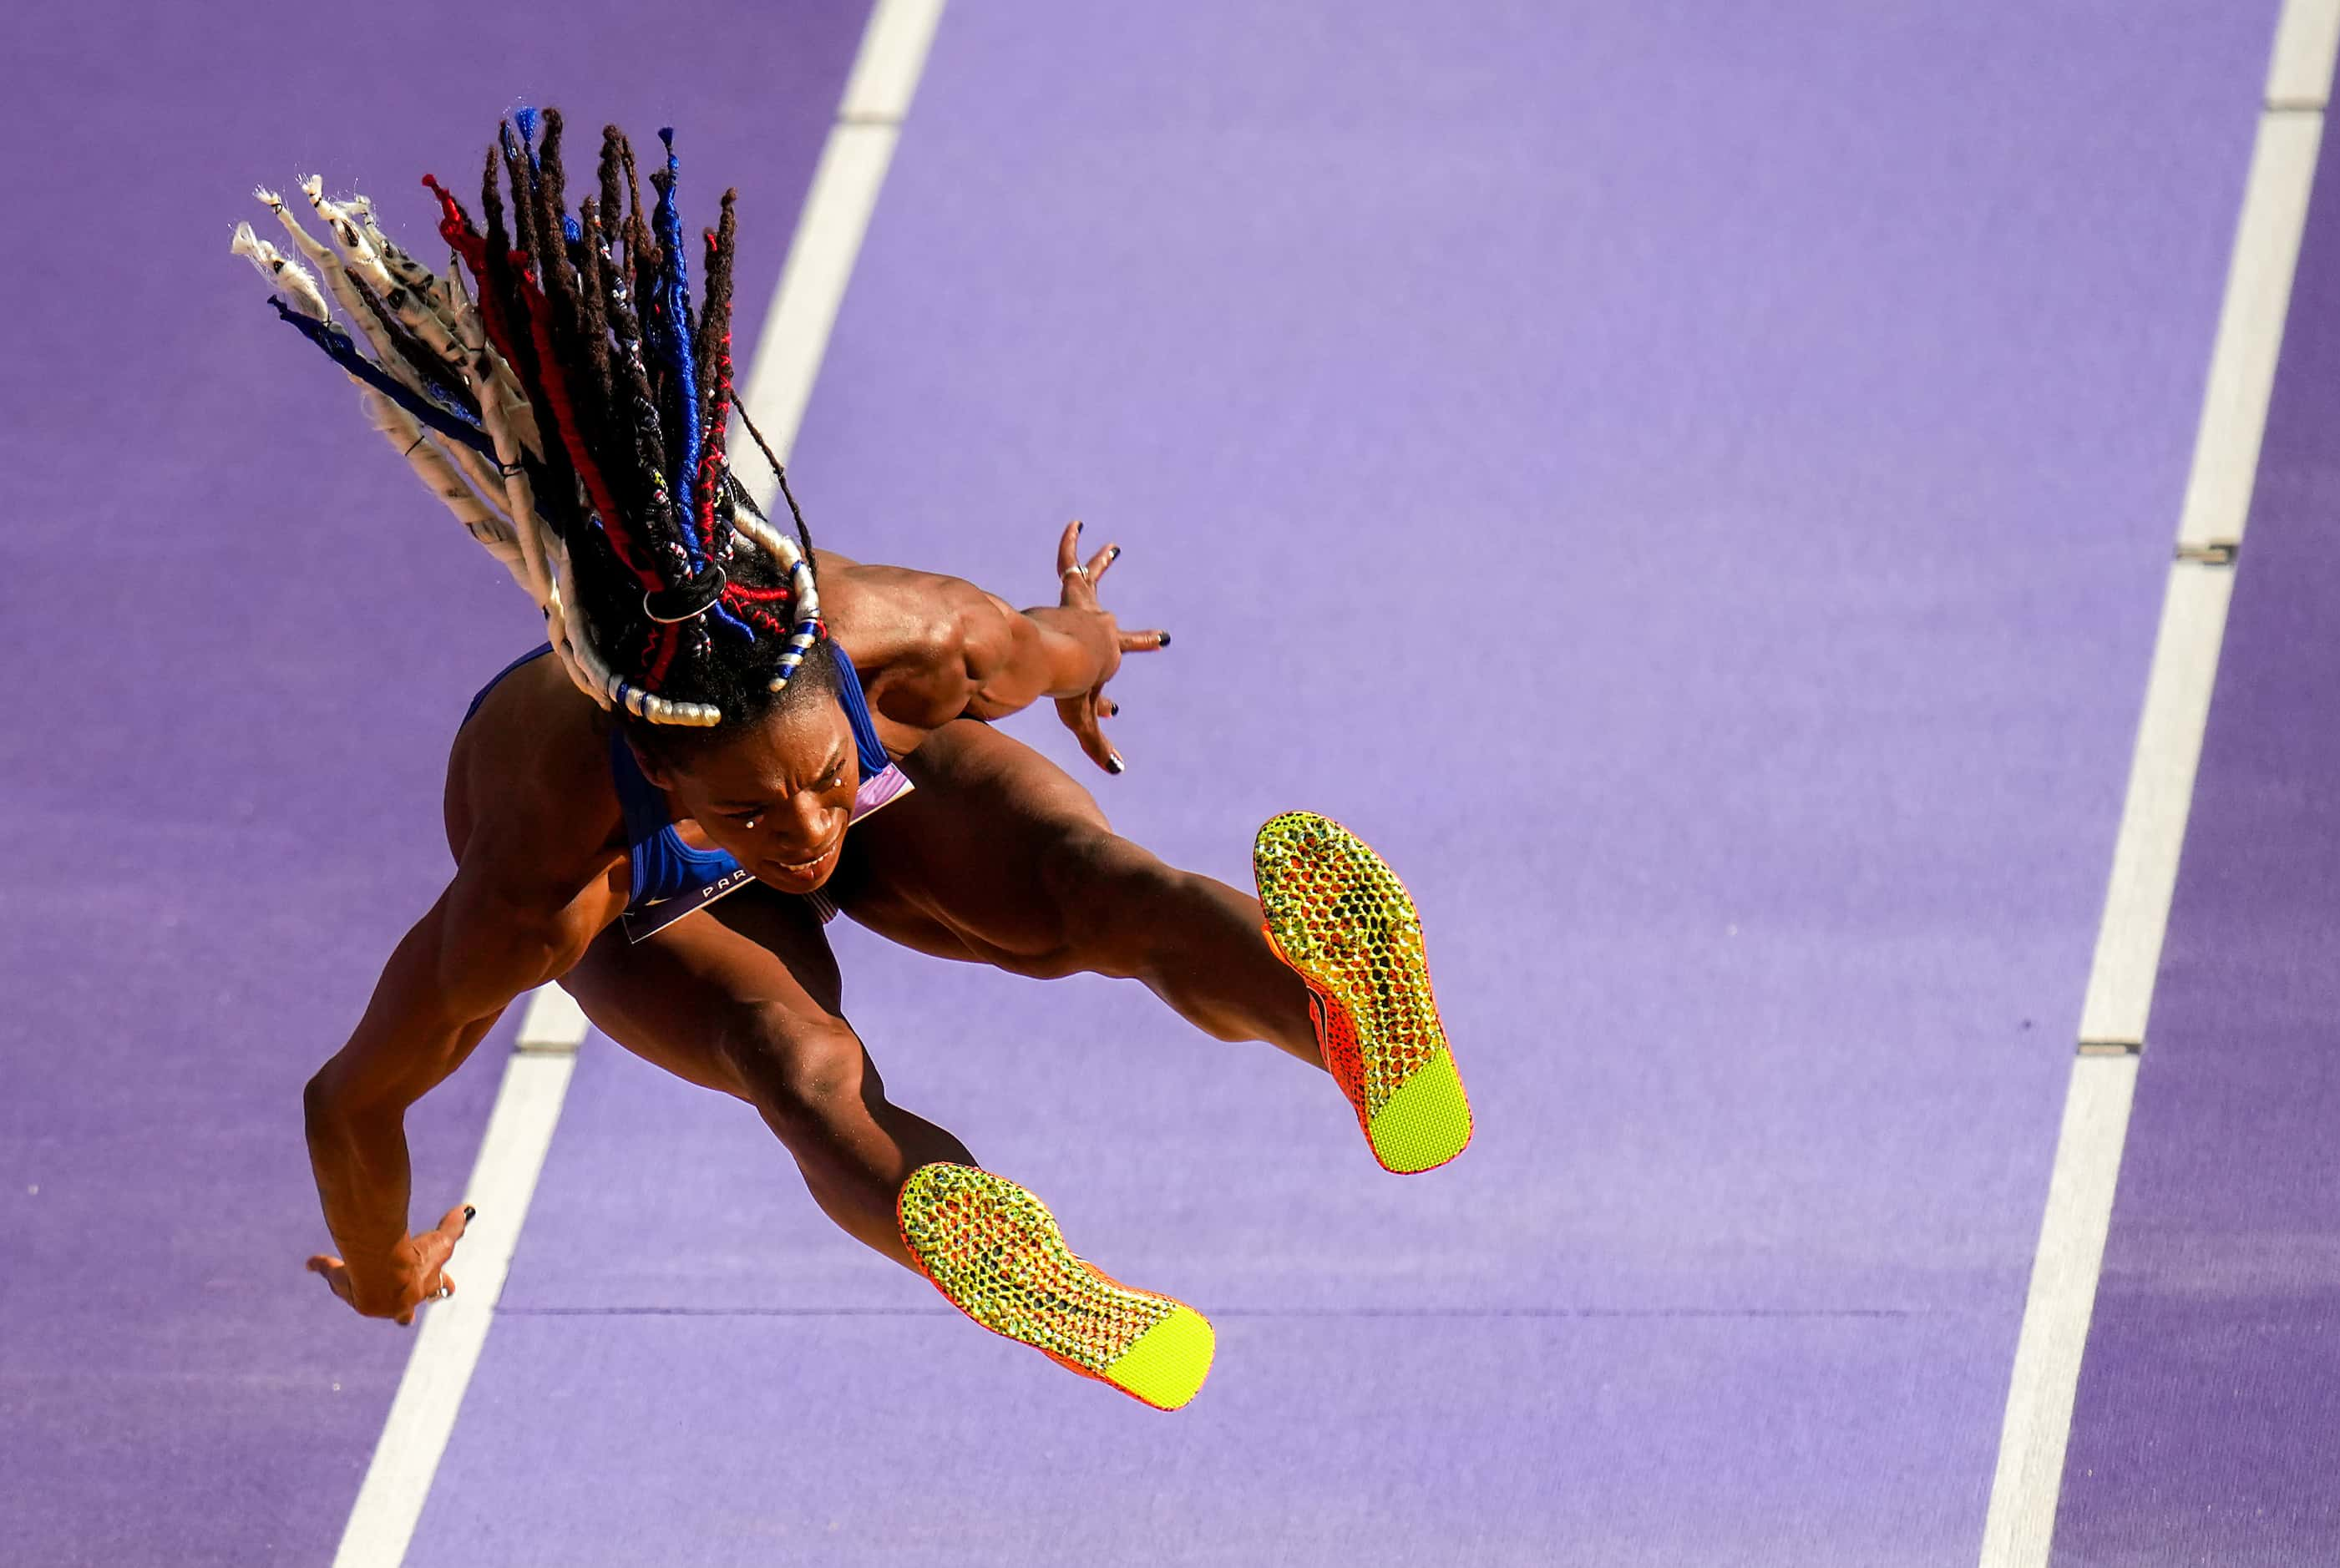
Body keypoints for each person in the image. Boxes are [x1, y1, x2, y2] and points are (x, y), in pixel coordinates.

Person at [234, 109, 1471, 1412]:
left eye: (829, 783)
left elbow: (1051, 646)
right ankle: (1007, 1244)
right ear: (664, 776)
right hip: (653, 893)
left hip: (784, 789)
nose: (811, 835)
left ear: (852, 686)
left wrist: (1089, 649)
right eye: (761, 815)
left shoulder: (920, 644)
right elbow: (350, 1102)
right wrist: (384, 1266)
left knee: (1071, 895)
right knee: (821, 1037)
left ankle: (1345, 1020)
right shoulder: (548, 869)